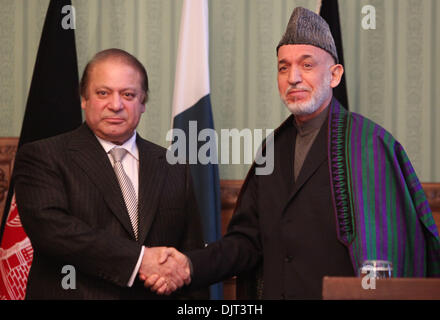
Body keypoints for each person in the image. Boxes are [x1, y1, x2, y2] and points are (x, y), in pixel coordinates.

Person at [144, 7, 440, 299]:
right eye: (283, 67)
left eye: (307, 65)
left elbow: (395, 252)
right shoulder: (272, 149)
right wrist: (189, 266)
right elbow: (247, 242)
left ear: (335, 75)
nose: (293, 77)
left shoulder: (371, 146)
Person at [13, 48, 207, 299]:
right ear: (84, 99)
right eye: (103, 93)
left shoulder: (174, 166)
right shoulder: (42, 156)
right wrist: (140, 260)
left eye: (128, 94)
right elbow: (54, 232)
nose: (115, 105)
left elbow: (188, 258)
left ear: (143, 102)